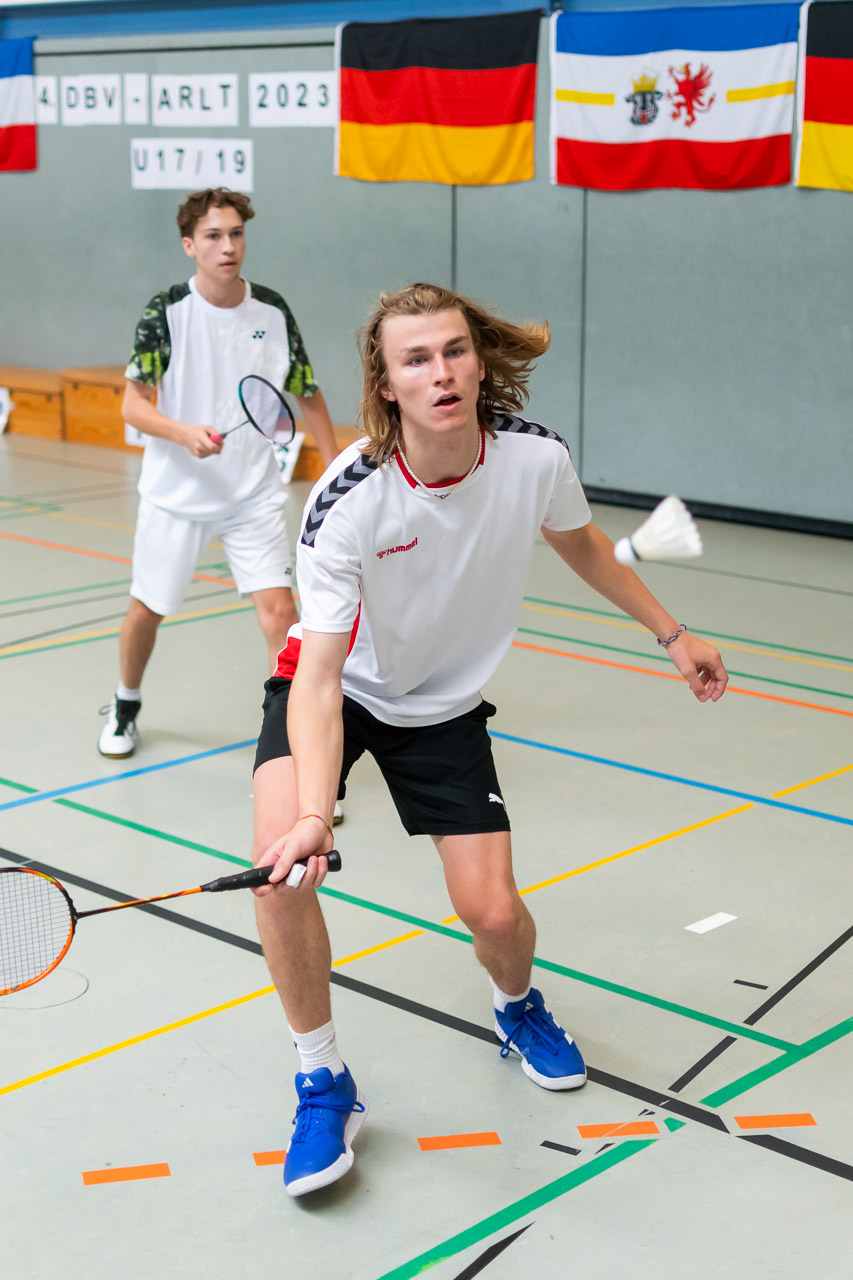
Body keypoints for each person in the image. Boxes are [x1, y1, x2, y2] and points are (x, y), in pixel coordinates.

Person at [250, 282, 728, 1199]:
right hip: (339, 684)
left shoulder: (532, 458)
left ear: (477, 361)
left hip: (442, 704)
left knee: (498, 919)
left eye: (454, 351)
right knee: (279, 871)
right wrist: (314, 813)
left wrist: (671, 634)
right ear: (385, 384)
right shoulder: (349, 497)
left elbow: (580, 541)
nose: (440, 372)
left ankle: (516, 1007)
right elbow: (317, 675)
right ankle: (323, 1079)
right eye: (416, 359)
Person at [97, 186, 340, 761]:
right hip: (176, 494)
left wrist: (332, 467)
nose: (228, 246)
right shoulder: (166, 311)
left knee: (281, 613)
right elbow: (132, 405)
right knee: (147, 609)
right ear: (189, 245)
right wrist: (182, 432)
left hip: (251, 493)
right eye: (212, 236)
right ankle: (126, 701)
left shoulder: (272, 310)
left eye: (236, 233)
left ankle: (298, 737)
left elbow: (306, 392)